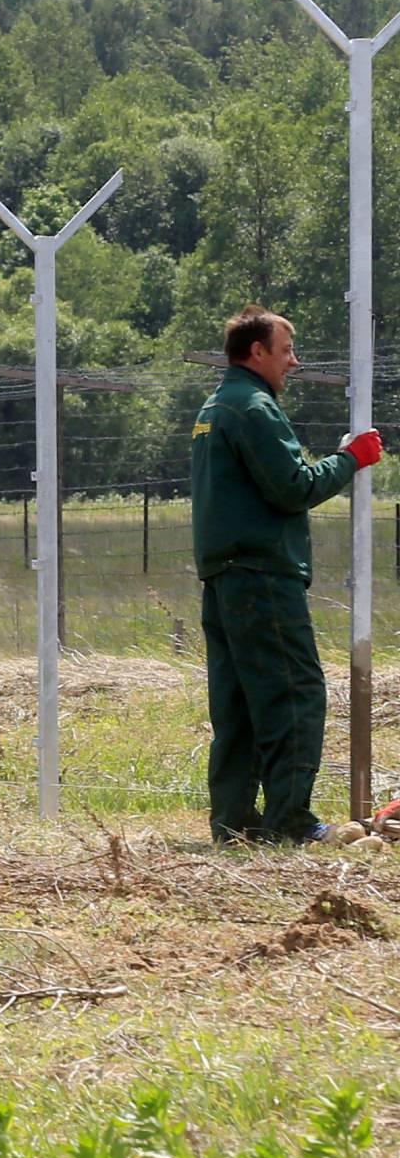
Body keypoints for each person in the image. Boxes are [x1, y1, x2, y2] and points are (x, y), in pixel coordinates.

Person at [190, 307, 383, 846]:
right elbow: (294, 486)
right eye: (286, 350)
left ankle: (234, 822)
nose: (293, 362)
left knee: (239, 702)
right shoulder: (253, 408)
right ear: (257, 352)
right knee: (293, 693)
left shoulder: (215, 407)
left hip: (224, 577)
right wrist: (350, 459)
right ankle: (291, 822)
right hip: (262, 576)